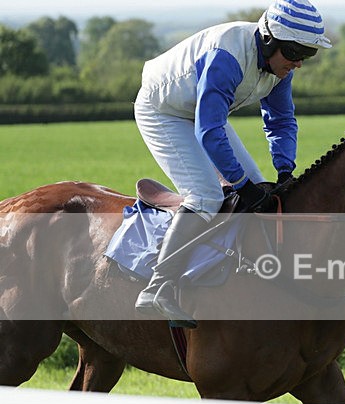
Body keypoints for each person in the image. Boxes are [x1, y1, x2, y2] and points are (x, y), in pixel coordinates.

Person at [132, 0, 332, 327]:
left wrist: (285, 168)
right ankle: (158, 285)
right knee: (206, 196)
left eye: (307, 55)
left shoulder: (279, 68)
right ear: (268, 39)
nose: (298, 63)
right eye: (294, 52)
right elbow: (209, 132)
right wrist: (240, 184)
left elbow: (281, 120)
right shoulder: (227, 57)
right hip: (164, 111)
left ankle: (239, 276)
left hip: (204, 113)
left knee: (259, 187)